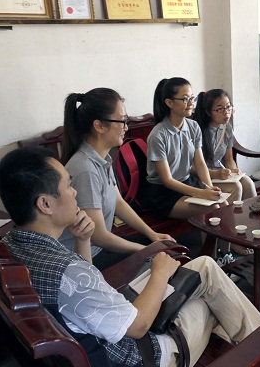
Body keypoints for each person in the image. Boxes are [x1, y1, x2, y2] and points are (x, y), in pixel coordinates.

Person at [0, 147, 260, 367]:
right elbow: (138, 326)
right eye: (68, 185)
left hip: (106, 321)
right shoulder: (69, 272)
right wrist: (159, 273)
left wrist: (83, 239)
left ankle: (257, 343)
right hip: (145, 355)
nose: (74, 192)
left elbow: (82, 290)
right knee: (212, 301)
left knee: (205, 267)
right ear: (45, 204)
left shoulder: (10, 243)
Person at [61, 88, 175, 271]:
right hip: (87, 259)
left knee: (170, 249)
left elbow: (119, 203)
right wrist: (146, 250)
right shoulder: (85, 170)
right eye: (122, 121)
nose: (126, 127)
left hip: (100, 247)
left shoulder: (101, 159)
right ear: (99, 126)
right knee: (164, 259)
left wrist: (152, 234)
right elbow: (99, 236)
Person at [138, 77, 224, 221]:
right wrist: (202, 194)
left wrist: (209, 188)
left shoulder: (193, 126)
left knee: (224, 204)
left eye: (192, 98)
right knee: (214, 208)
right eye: (185, 99)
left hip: (187, 183)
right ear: (169, 103)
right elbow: (167, 180)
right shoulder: (157, 135)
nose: (191, 103)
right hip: (164, 194)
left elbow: (200, 163)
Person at [193, 89, 257, 256]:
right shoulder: (199, 130)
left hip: (220, 173)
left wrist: (234, 169)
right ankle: (232, 240)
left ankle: (248, 234)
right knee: (237, 187)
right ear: (208, 112)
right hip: (203, 177)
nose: (226, 113)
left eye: (228, 107)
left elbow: (228, 159)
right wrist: (216, 174)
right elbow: (192, 167)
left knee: (248, 183)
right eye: (220, 109)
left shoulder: (226, 128)